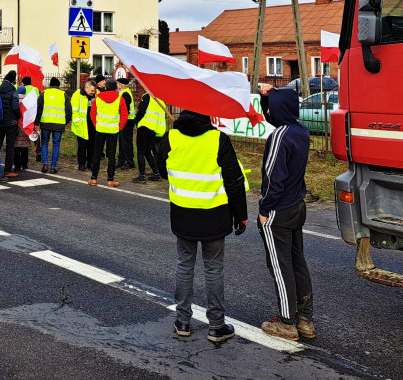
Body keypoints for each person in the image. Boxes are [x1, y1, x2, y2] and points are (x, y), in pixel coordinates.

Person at [168, 109, 249, 343]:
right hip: (214, 215)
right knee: (213, 268)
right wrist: (240, 215)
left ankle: (182, 322)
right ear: (207, 116)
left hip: (183, 214)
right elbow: (234, 181)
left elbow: (163, 169)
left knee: (184, 264)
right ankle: (216, 326)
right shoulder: (218, 139)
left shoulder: (171, 137)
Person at [257, 85, 315, 341]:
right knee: (297, 262)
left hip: (278, 211)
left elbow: (272, 179)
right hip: (296, 205)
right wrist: (266, 96)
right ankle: (305, 319)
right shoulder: (300, 131)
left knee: (280, 267)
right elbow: (273, 115)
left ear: (279, 110)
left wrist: (264, 209)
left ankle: (287, 321)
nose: (268, 110)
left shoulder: (278, 138)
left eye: (271, 106)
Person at [89, 76, 128, 187]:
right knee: (111, 156)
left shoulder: (98, 98)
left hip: (100, 129)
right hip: (113, 130)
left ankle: (93, 178)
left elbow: (93, 114)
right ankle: (110, 179)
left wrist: (97, 125)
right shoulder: (120, 99)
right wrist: (119, 127)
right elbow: (124, 115)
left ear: (105, 87)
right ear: (115, 87)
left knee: (97, 154)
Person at [133, 91, 169, 183]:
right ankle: (156, 174)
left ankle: (141, 176)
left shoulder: (147, 97)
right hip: (154, 128)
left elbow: (141, 111)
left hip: (144, 126)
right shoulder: (160, 100)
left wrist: (136, 121)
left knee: (140, 152)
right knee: (148, 152)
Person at [38, 77, 71, 174]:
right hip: (58, 124)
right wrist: (64, 122)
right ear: (58, 85)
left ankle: (45, 164)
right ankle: (53, 167)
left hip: (45, 123)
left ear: (50, 84)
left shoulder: (44, 93)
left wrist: (37, 122)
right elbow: (69, 111)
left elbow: (39, 109)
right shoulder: (63, 94)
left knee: (44, 143)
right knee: (56, 145)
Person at [0, 70, 21, 177]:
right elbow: (15, 107)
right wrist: (18, 116)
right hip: (11, 122)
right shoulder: (13, 91)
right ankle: (7, 170)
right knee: (10, 146)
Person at [69, 79, 95, 172]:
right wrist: (78, 123)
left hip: (92, 124)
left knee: (92, 145)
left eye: (94, 91)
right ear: (86, 87)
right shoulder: (77, 95)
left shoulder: (95, 95)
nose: (93, 92)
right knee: (82, 146)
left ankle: (90, 163)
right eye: (91, 90)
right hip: (81, 124)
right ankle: (82, 164)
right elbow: (74, 111)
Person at [116, 77, 136, 171]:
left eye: (117, 84)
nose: (116, 85)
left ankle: (129, 162)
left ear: (120, 85)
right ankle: (121, 160)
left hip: (127, 121)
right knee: (122, 141)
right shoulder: (124, 93)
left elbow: (125, 110)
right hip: (125, 120)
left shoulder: (125, 94)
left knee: (126, 142)